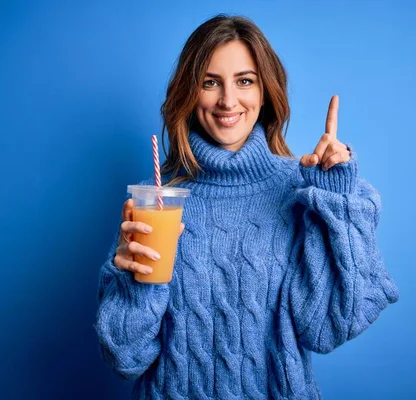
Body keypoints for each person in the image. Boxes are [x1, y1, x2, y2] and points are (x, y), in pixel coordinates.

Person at [95, 14, 399, 399]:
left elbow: (326, 328)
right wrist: (135, 285)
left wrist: (336, 199)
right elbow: (125, 357)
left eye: (244, 81)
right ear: (190, 93)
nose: (227, 100)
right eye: (210, 82)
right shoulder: (156, 201)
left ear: (264, 92)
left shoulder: (301, 191)